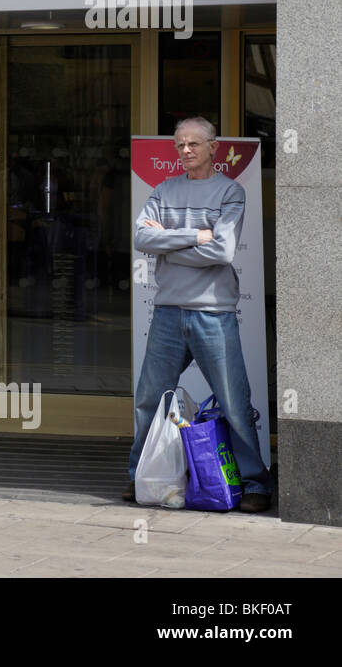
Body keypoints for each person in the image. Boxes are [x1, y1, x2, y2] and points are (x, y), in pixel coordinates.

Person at [126, 117, 271, 512]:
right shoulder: (163, 189)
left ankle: (254, 483)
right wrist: (195, 235)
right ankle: (140, 476)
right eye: (179, 145)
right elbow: (141, 238)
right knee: (149, 399)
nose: (185, 150)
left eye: (193, 144)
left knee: (234, 401)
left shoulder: (230, 191)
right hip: (168, 313)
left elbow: (222, 252)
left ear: (213, 148)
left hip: (213, 313)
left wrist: (167, 242)